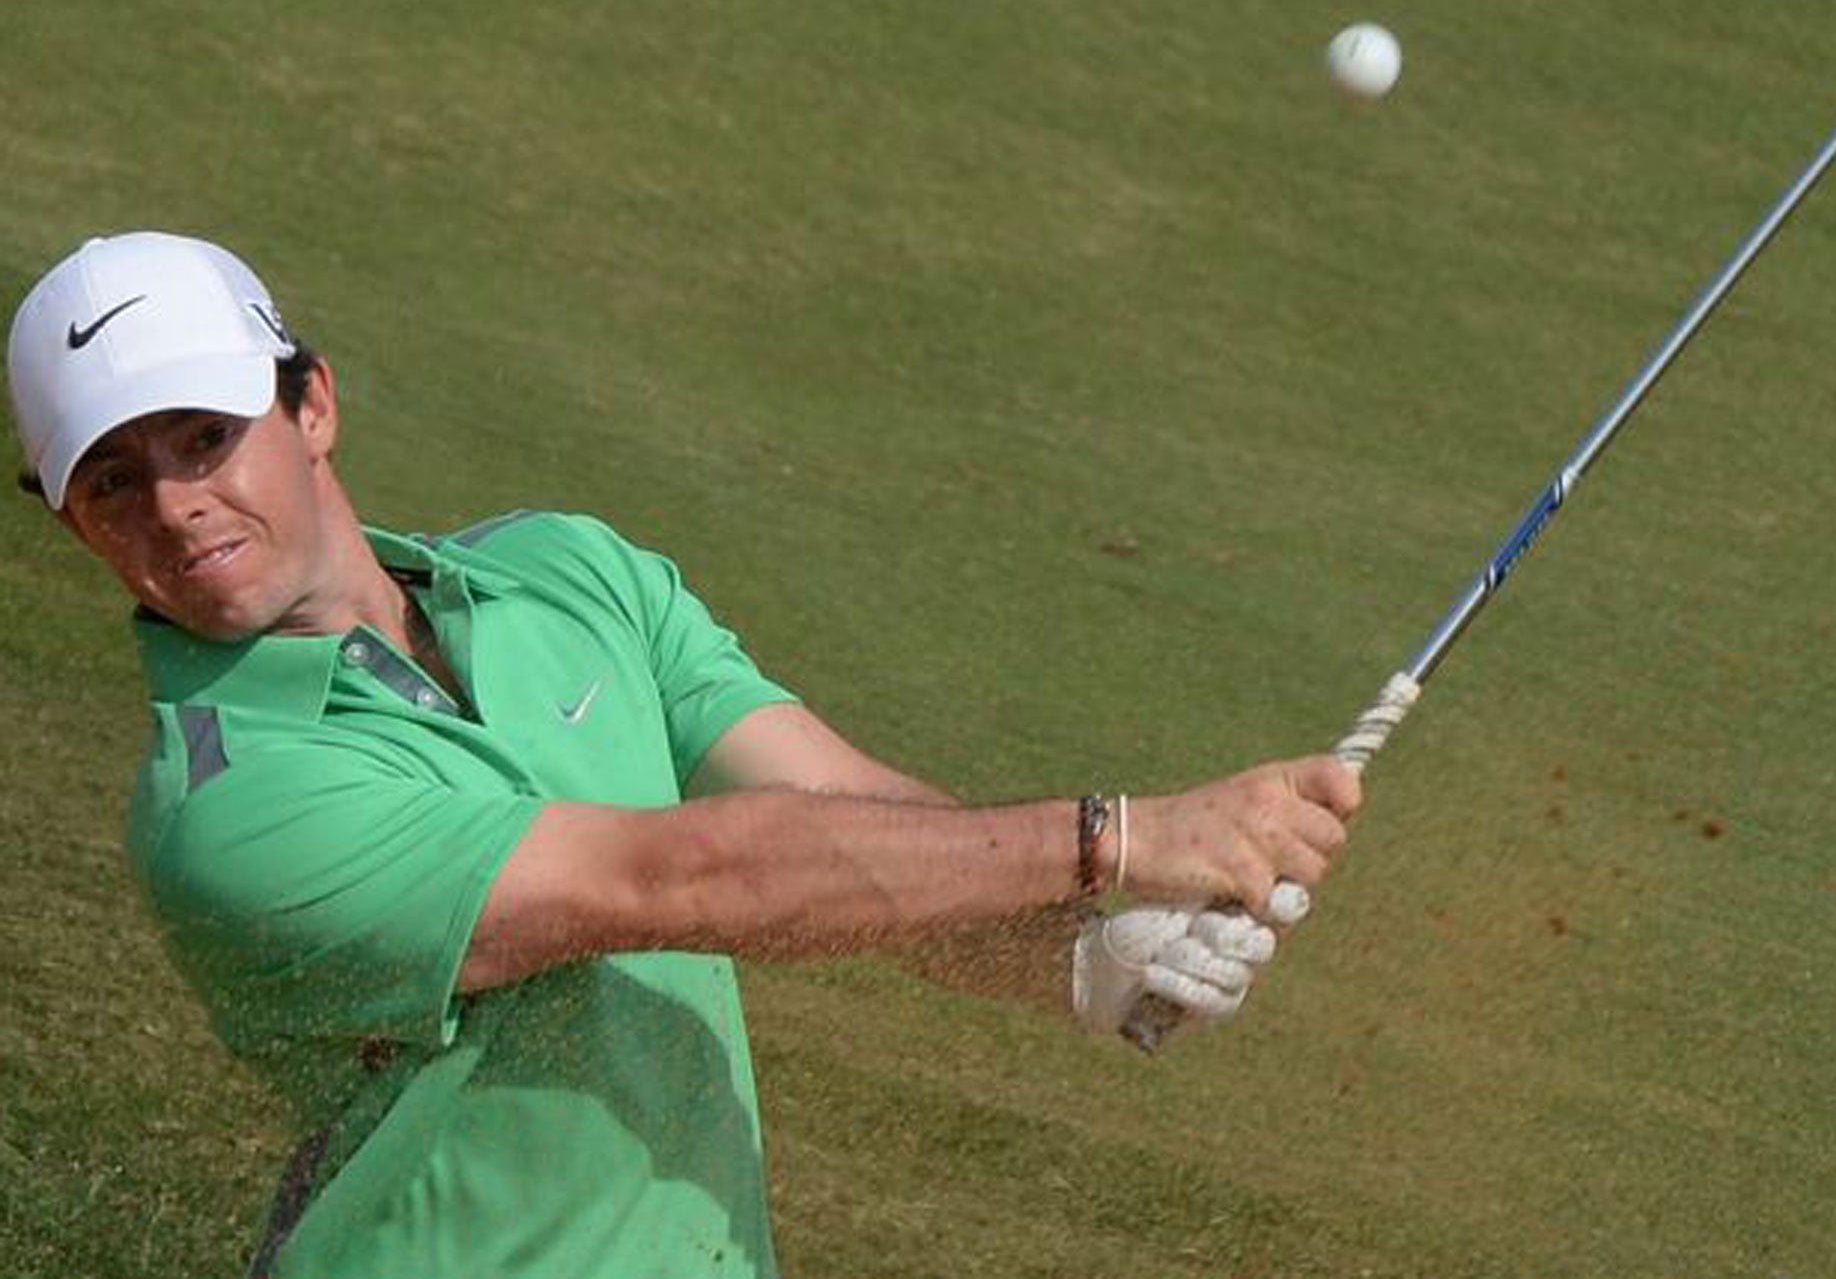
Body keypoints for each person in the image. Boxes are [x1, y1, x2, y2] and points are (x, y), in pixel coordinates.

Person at [6, 230, 1363, 1279]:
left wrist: (1067, 957)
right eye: (113, 480)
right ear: (70, 521)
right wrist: (1115, 839)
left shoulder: (565, 572)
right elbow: (693, 877)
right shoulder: (233, 809)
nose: (178, 507)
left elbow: (840, 813)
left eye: (204, 437)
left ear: (311, 408)